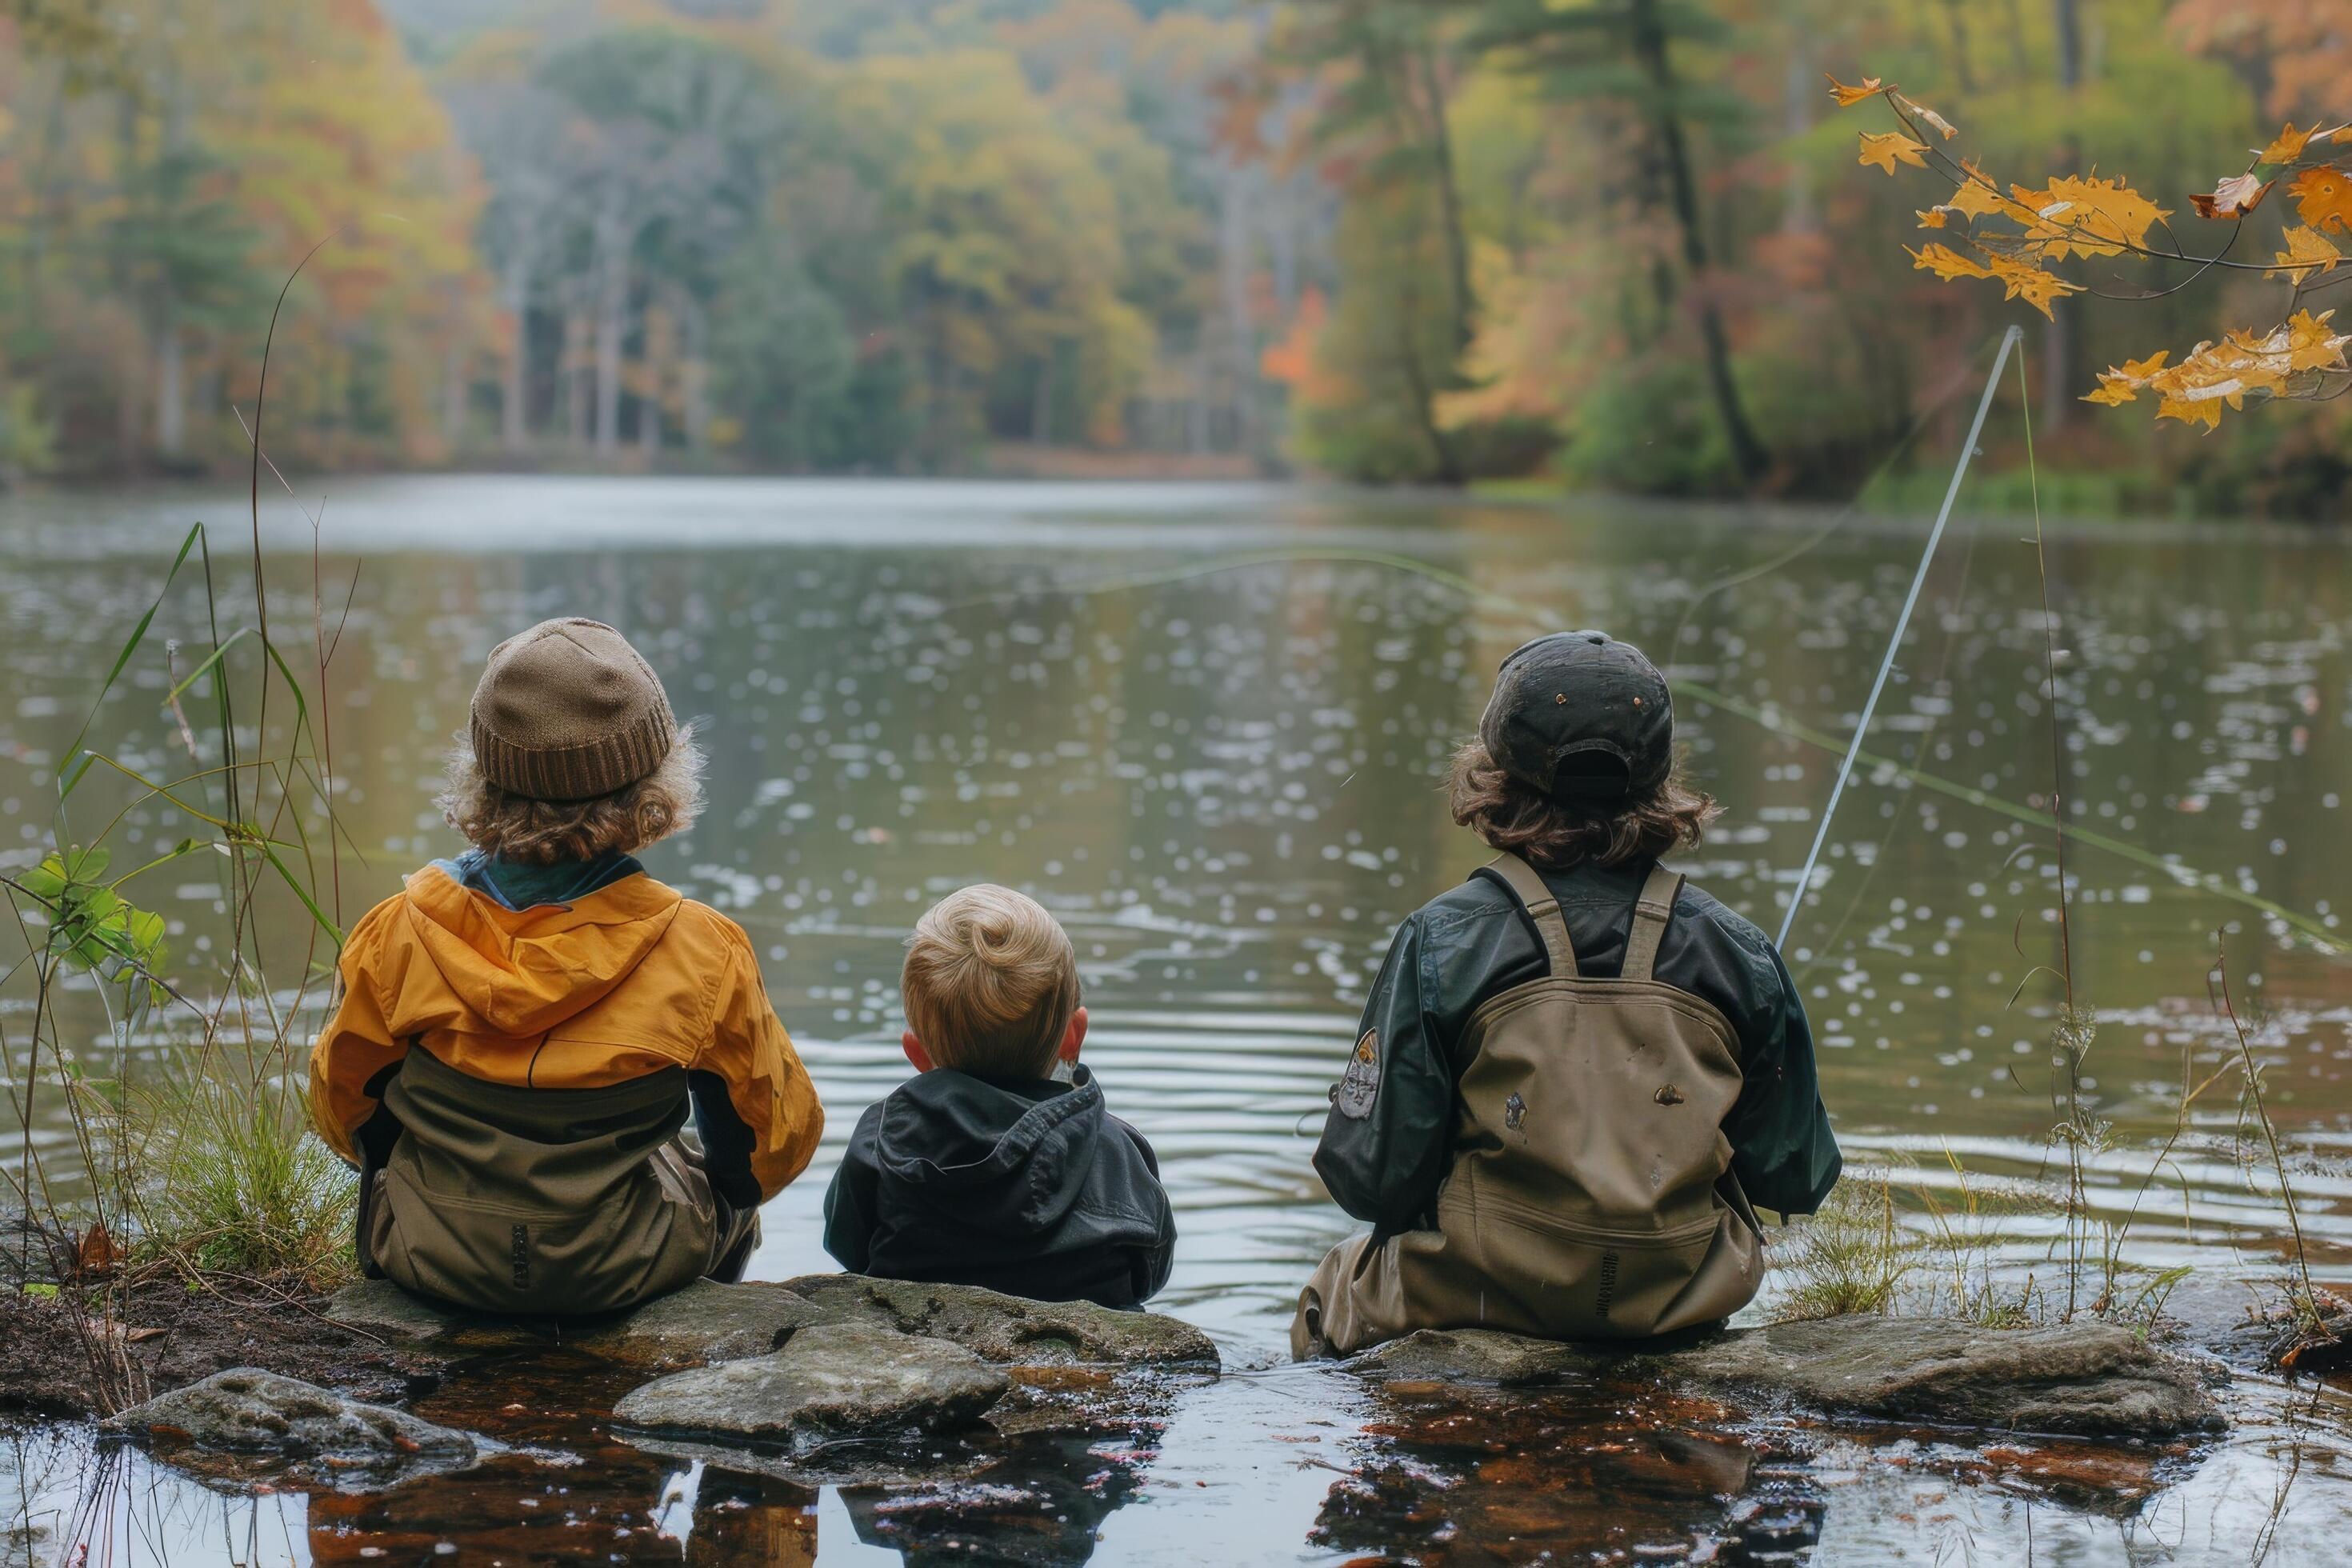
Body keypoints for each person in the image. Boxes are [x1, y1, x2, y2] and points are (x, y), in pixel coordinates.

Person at [1294, 630, 1840, 1358]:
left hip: (1472, 1300)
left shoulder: (1441, 939)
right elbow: (1798, 1176)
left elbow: (1371, 1182)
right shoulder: (1738, 950)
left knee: (1324, 1299)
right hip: (1674, 1308)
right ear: (1660, 781)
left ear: (1493, 774)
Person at [309, 618, 823, 1316]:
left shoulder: (394, 935)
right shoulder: (705, 951)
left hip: (429, 1255)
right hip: (624, 1265)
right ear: (654, 781)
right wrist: (724, 1188)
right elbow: (773, 1142)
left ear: (484, 777)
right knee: (714, 1182)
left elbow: (343, 1106)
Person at [824, 884, 1175, 1308]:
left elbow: (848, 1246)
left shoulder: (882, 1140)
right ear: (1073, 1036)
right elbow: (1151, 1273)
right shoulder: (1119, 1151)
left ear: (917, 1054)